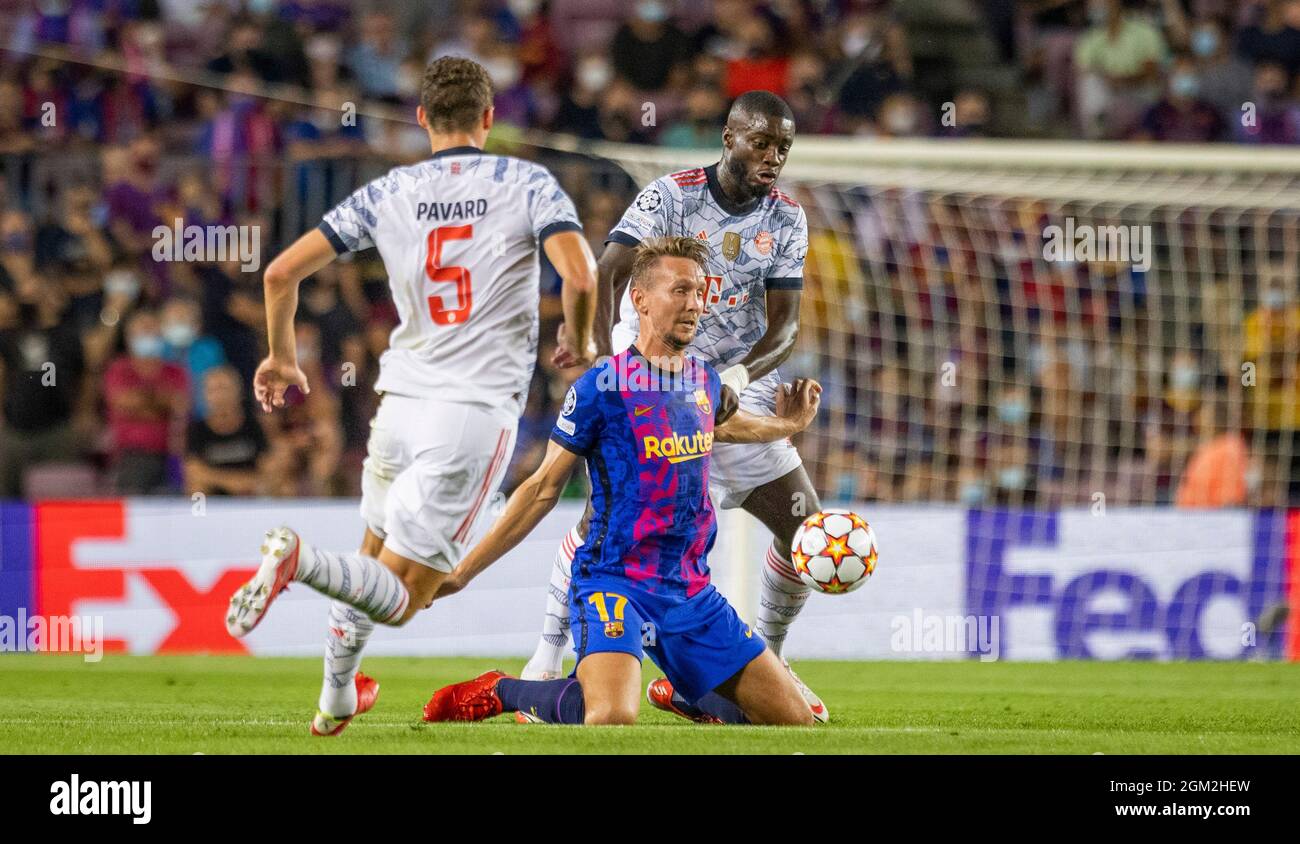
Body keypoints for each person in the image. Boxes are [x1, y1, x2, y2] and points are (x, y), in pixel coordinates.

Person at [223, 56, 598, 737]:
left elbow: (279, 273)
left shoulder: (387, 191)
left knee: (367, 566)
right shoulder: (526, 181)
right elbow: (580, 273)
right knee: (406, 599)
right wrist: (578, 340)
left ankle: (338, 694)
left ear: (422, 118)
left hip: (397, 405)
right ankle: (297, 562)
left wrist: (281, 356)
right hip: (471, 415)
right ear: (490, 118)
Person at [520, 90, 831, 721]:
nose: (774, 157)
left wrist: (735, 378)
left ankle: (764, 657)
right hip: (657, 393)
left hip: (732, 398)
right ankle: (545, 654)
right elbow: (610, 273)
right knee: (606, 533)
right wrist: (612, 361)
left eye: (784, 148)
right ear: (729, 137)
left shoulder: (786, 218)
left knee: (810, 541)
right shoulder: (672, 196)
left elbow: (787, 327)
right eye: (762, 142)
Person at [423, 236, 818, 727]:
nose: (695, 304)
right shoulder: (602, 387)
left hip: (690, 589)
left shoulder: (703, 380)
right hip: (616, 584)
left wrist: (788, 426)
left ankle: (685, 692)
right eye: (680, 291)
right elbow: (542, 487)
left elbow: (721, 426)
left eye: (699, 291)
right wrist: (461, 574)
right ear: (640, 299)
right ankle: (503, 690)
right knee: (610, 717)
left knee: (794, 724)